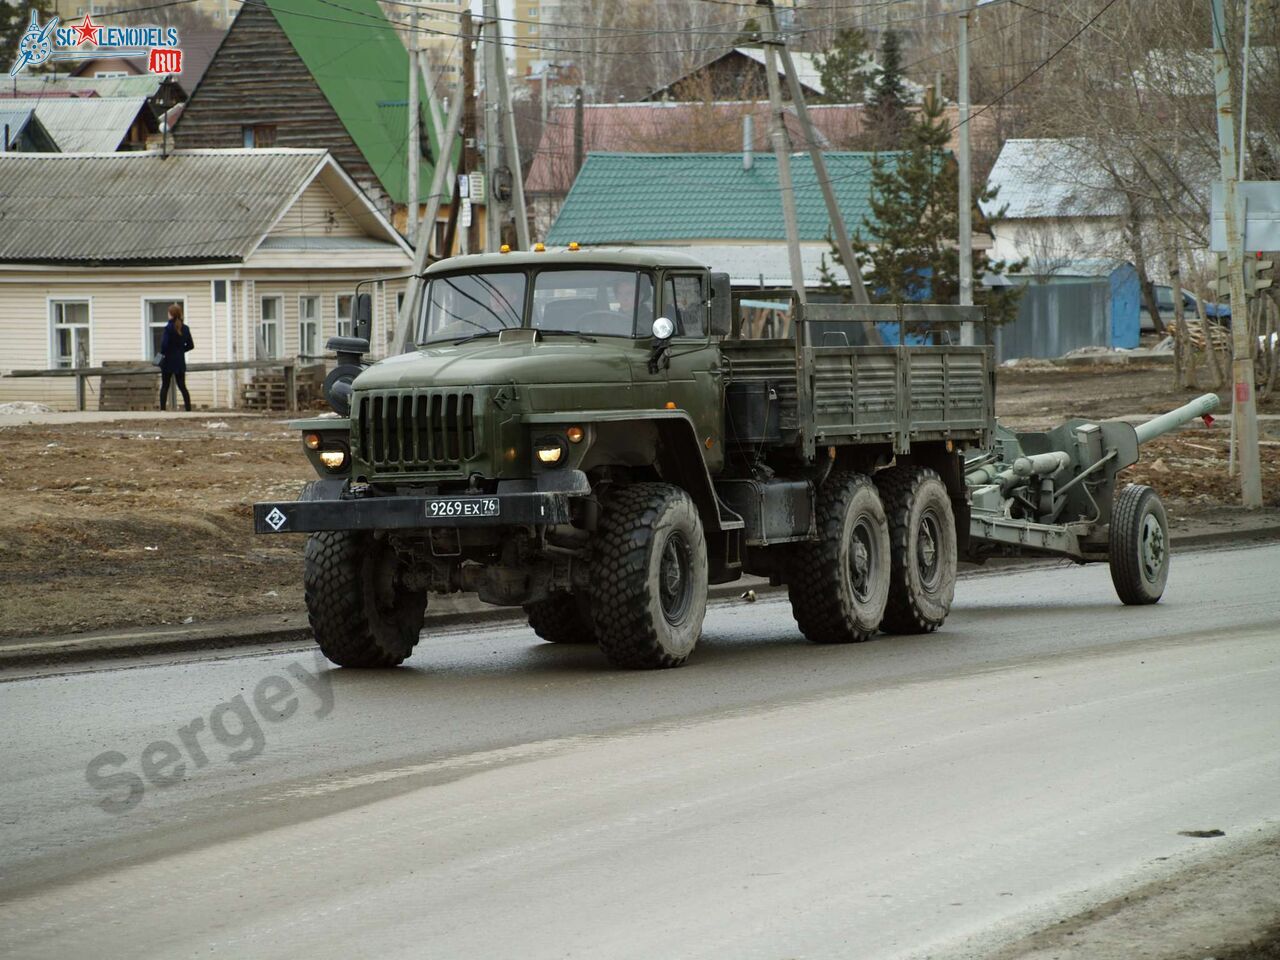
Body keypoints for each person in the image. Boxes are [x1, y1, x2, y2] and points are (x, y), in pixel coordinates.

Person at [159, 303, 194, 411]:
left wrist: (162, 355)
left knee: (165, 386)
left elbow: (164, 346)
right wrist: (180, 351)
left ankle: (163, 409)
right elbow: (191, 345)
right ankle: (188, 409)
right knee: (182, 386)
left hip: (168, 361)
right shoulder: (186, 328)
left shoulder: (168, 328)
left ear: (171, 314)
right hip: (179, 361)